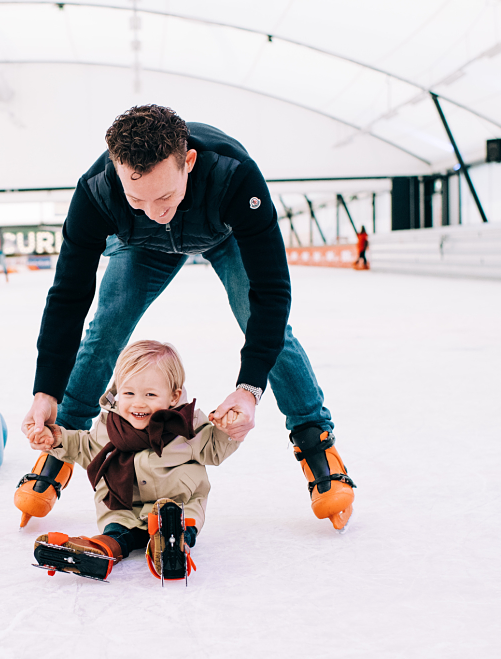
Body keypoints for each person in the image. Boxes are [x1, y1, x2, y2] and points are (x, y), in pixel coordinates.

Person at [21, 105, 355, 530]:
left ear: (189, 163)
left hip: (222, 233)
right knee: (106, 327)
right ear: (118, 173)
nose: (153, 210)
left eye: (164, 196)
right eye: (136, 197)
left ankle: (315, 441)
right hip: (141, 247)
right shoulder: (96, 192)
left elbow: (272, 291)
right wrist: (46, 390)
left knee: (261, 320)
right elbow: (69, 295)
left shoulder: (234, 176)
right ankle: (62, 443)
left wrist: (250, 388)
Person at [26, 341, 239, 581]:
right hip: (124, 506)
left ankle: (173, 542)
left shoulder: (188, 426)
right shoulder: (110, 425)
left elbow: (214, 449)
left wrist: (226, 429)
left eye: (150, 394)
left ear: (173, 396)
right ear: (118, 393)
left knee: (181, 520)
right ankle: (101, 551)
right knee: (117, 529)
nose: (138, 403)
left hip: (178, 504)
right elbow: (86, 448)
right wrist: (55, 439)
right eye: (129, 393)